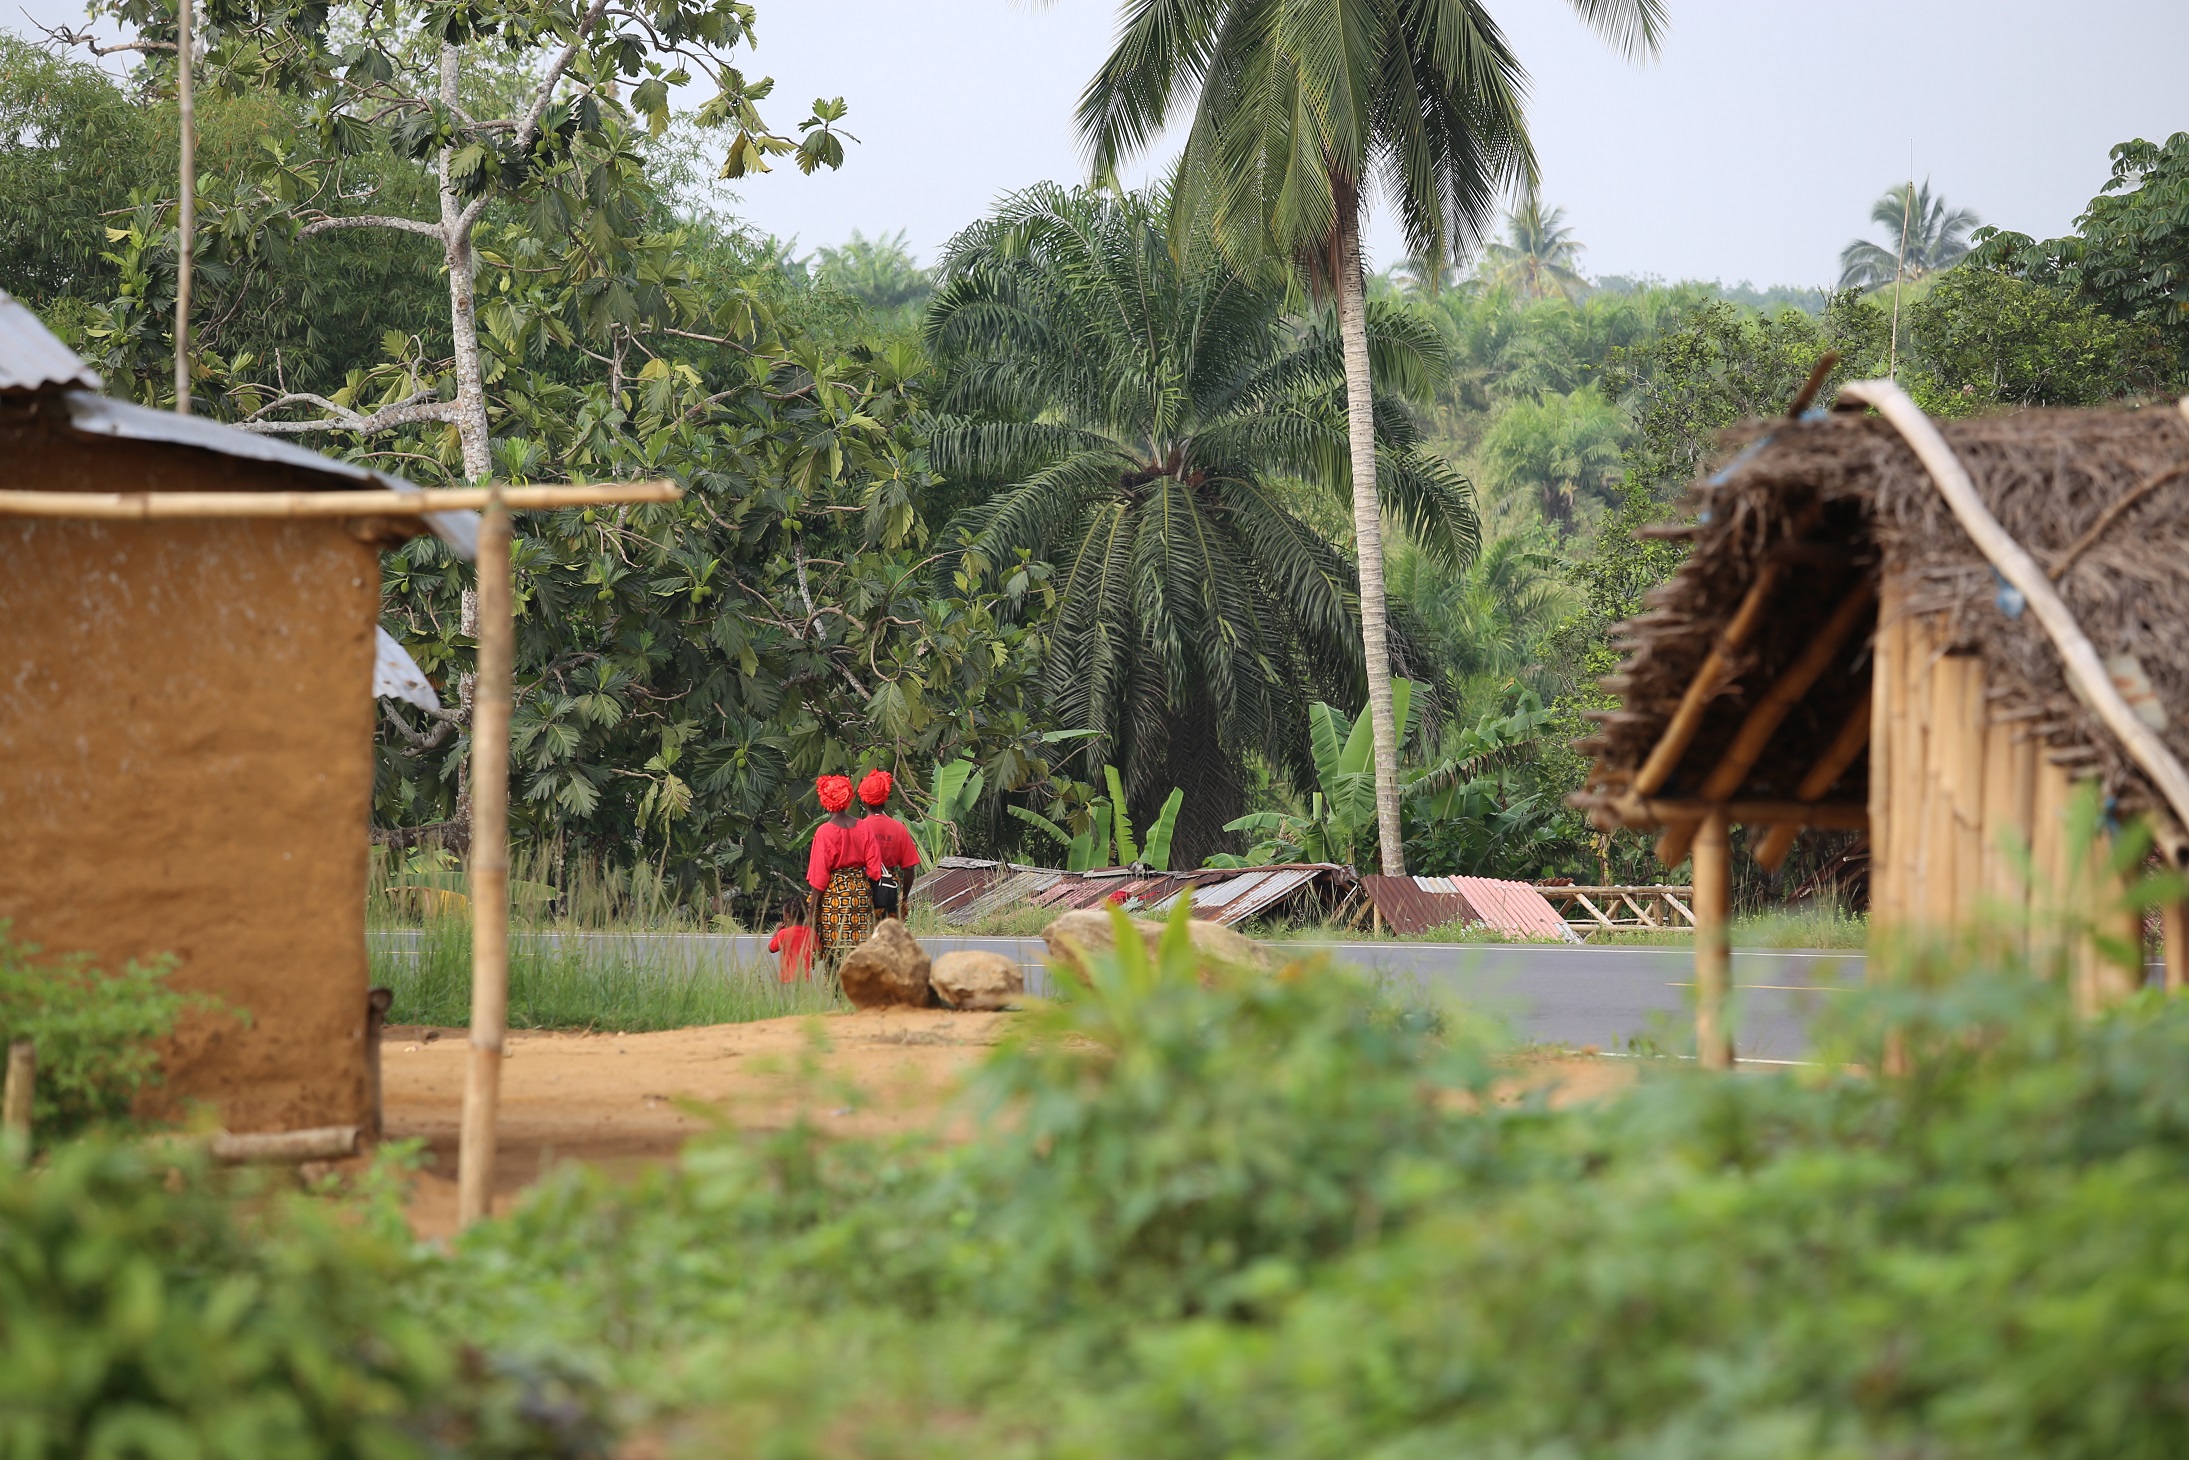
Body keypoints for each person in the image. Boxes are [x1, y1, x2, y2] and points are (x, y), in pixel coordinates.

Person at [806, 774, 883, 961]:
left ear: (825, 800)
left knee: (835, 955)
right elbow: (875, 870)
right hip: (861, 895)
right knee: (860, 956)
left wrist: (811, 909)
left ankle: (835, 978)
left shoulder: (824, 832)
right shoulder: (864, 827)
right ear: (848, 798)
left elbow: (819, 876)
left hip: (834, 899)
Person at [856, 768, 919, 919]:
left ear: (864, 801)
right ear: (885, 800)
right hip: (890, 889)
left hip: (863, 889)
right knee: (890, 932)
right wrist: (904, 898)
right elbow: (909, 869)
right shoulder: (899, 828)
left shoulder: (858, 828)